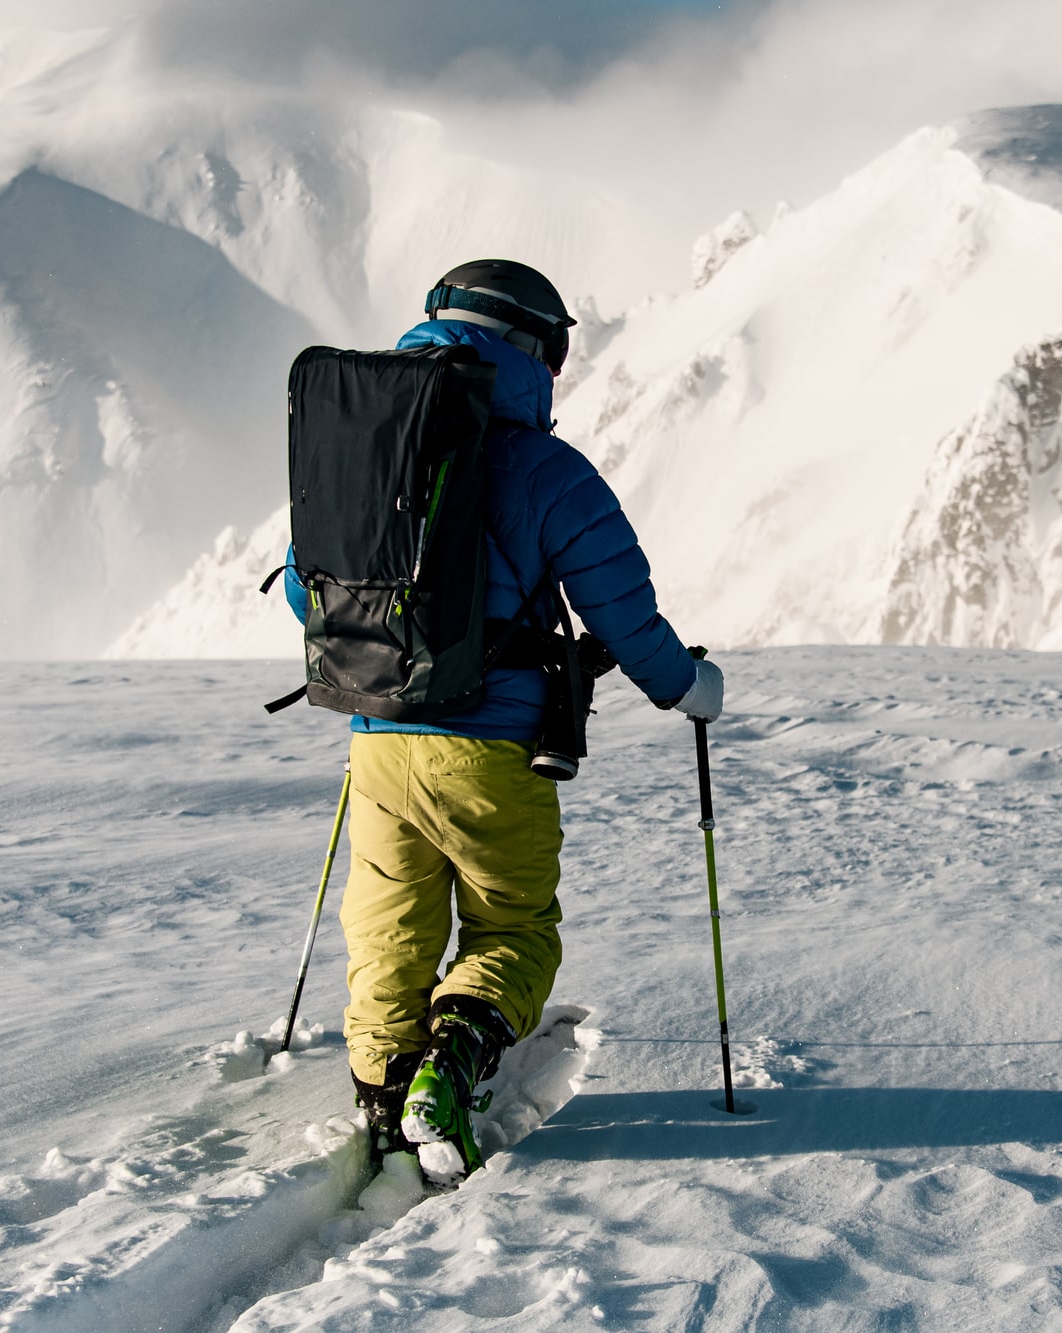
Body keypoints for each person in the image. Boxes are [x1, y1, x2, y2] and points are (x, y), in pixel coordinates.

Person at [282, 259, 724, 1184]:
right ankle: (449, 1067)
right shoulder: (543, 468)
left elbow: (305, 588)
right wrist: (684, 684)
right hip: (493, 752)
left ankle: (381, 1091)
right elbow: (621, 611)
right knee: (514, 928)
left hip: (378, 744)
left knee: (387, 928)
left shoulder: (364, 446)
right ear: (531, 348)